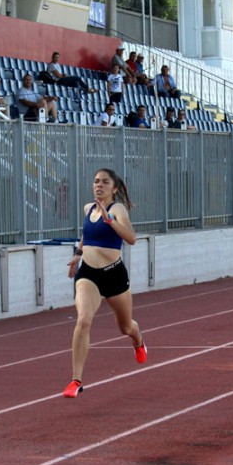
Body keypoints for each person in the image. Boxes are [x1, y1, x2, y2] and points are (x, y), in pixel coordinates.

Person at [63, 168, 147, 398]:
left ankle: (138, 339)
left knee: (125, 327)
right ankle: (75, 380)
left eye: (105, 182)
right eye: (96, 181)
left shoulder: (117, 209)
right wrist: (78, 254)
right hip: (88, 274)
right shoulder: (88, 208)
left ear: (115, 188)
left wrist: (110, 221)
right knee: (83, 319)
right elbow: (87, 235)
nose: (99, 185)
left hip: (113, 274)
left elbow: (131, 238)